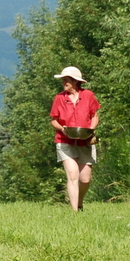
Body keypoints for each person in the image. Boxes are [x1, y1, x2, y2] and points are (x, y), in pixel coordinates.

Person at [49, 66, 100, 211]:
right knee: (72, 176)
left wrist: (91, 129)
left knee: (85, 179)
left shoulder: (89, 95)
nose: (64, 82)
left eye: (66, 79)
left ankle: (79, 202)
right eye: (63, 80)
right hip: (65, 140)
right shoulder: (59, 98)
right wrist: (62, 128)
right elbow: (54, 120)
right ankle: (75, 212)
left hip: (85, 140)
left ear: (75, 81)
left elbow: (95, 115)